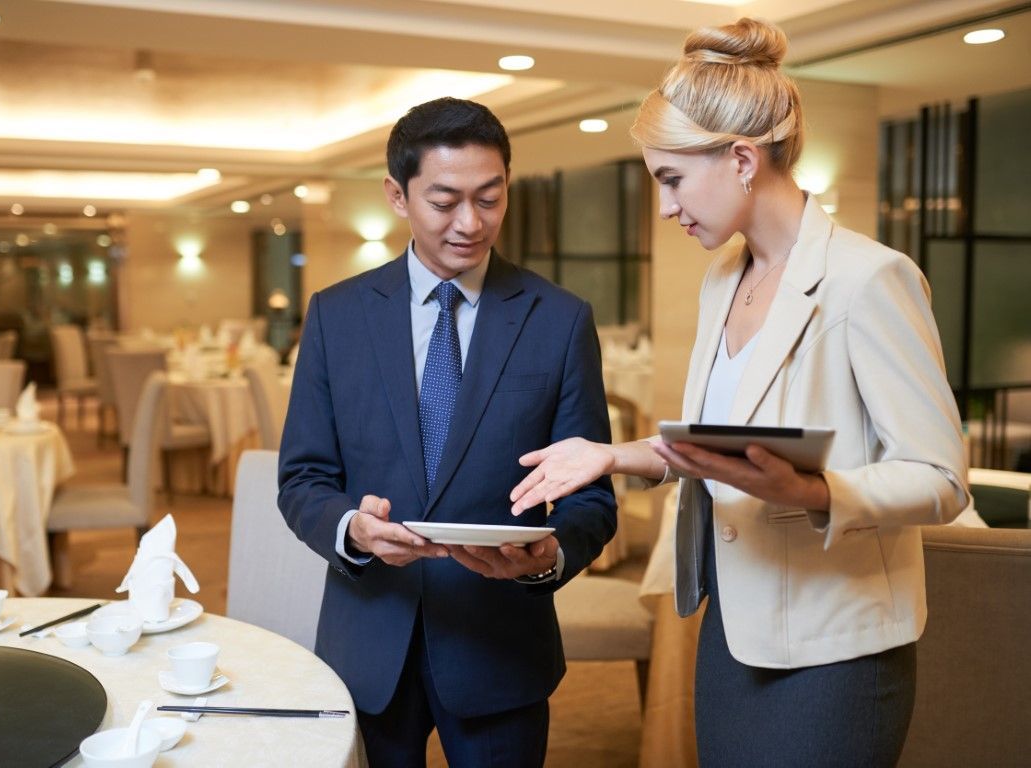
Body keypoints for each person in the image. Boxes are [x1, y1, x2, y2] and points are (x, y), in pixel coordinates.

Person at [509, 18, 969, 768]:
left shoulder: (868, 280)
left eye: (671, 179)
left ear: (743, 159)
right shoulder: (723, 278)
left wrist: (813, 490)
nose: (664, 206)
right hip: (731, 626)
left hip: (834, 651)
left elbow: (941, 477)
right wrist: (612, 456)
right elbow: (720, 445)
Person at [277, 96, 617, 767]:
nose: (470, 222)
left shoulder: (558, 320)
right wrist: (352, 530)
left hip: (499, 646)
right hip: (369, 642)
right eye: (444, 200)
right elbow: (302, 479)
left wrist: (548, 557)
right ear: (397, 196)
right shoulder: (335, 315)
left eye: (489, 198)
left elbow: (590, 499)